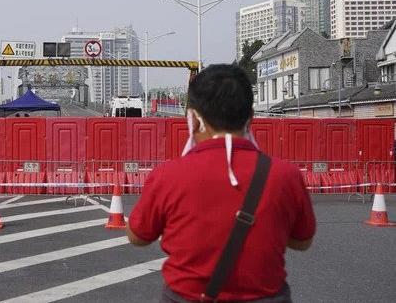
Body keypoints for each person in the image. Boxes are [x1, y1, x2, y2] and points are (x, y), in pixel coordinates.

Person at [127, 64, 315, 303]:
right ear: (250, 118)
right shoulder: (285, 175)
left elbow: (138, 236)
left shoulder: (167, 175)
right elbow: (303, 240)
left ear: (193, 119)